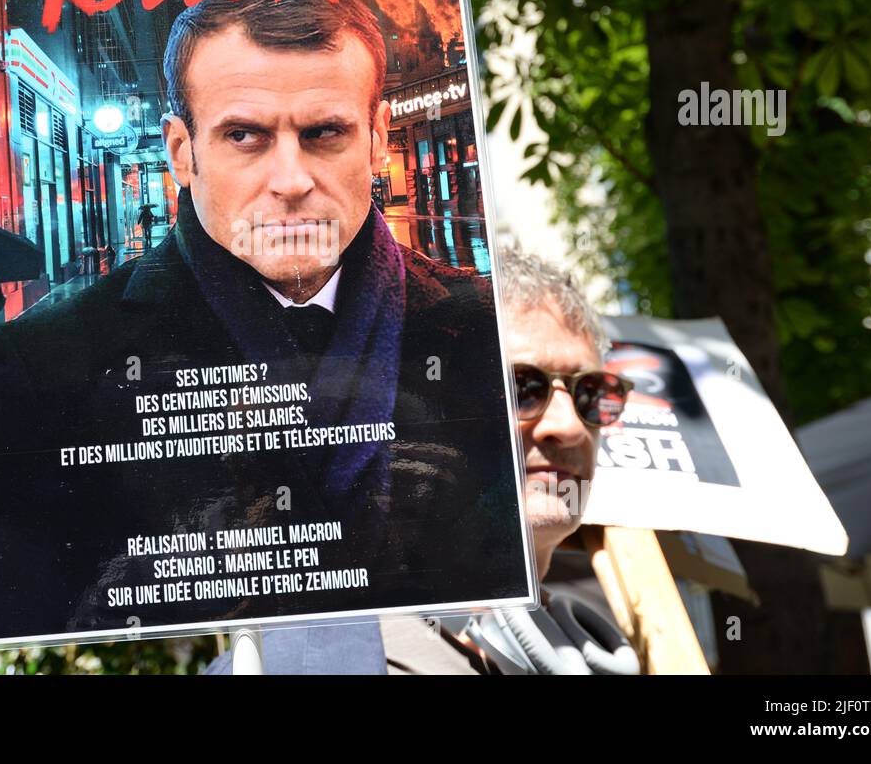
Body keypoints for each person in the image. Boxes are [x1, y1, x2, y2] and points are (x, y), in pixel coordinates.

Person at [0, 0, 524, 644]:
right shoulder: (38, 372)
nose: (291, 180)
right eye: (244, 135)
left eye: (325, 131)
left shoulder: (492, 334)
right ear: (182, 152)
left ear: (374, 135)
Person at [205, 247, 638, 674]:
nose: (569, 426)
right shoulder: (291, 665)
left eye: (592, 393)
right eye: (519, 386)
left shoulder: (576, 655)